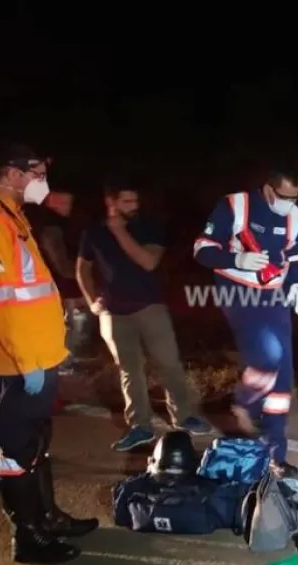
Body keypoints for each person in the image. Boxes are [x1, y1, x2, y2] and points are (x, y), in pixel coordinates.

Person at [0, 142, 98, 564]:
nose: (43, 182)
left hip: (39, 357)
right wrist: (27, 363)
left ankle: (47, 518)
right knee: (16, 447)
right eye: (36, 173)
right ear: (11, 174)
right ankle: (28, 537)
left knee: (37, 441)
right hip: (18, 364)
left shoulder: (11, 216)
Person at [77, 178, 213, 452]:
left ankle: (183, 416)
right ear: (110, 202)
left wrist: (120, 232)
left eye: (135, 201)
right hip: (113, 313)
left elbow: (148, 262)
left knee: (169, 363)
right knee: (130, 371)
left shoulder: (148, 226)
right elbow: (82, 268)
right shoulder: (93, 232)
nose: (133, 206)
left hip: (150, 306)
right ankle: (141, 426)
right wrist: (92, 302)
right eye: (126, 201)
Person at [193, 164, 298, 478]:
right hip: (239, 293)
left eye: (296, 198)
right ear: (269, 190)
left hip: (274, 296)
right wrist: (236, 259)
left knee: (282, 379)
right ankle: (244, 402)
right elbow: (202, 249)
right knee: (267, 357)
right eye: (285, 196)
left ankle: (274, 457)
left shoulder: (293, 216)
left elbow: (296, 254)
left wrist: (296, 283)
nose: (290, 204)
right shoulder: (234, 206)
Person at [25, 192, 95, 376]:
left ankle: (67, 361)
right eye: (64, 201)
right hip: (65, 286)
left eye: (70, 202)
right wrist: (80, 277)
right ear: (51, 201)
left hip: (61, 285)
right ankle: (64, 364)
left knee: (73, 323)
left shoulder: (53, 223)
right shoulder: (51, 225)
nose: (68, 206)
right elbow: (59, 261)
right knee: (74, 323)